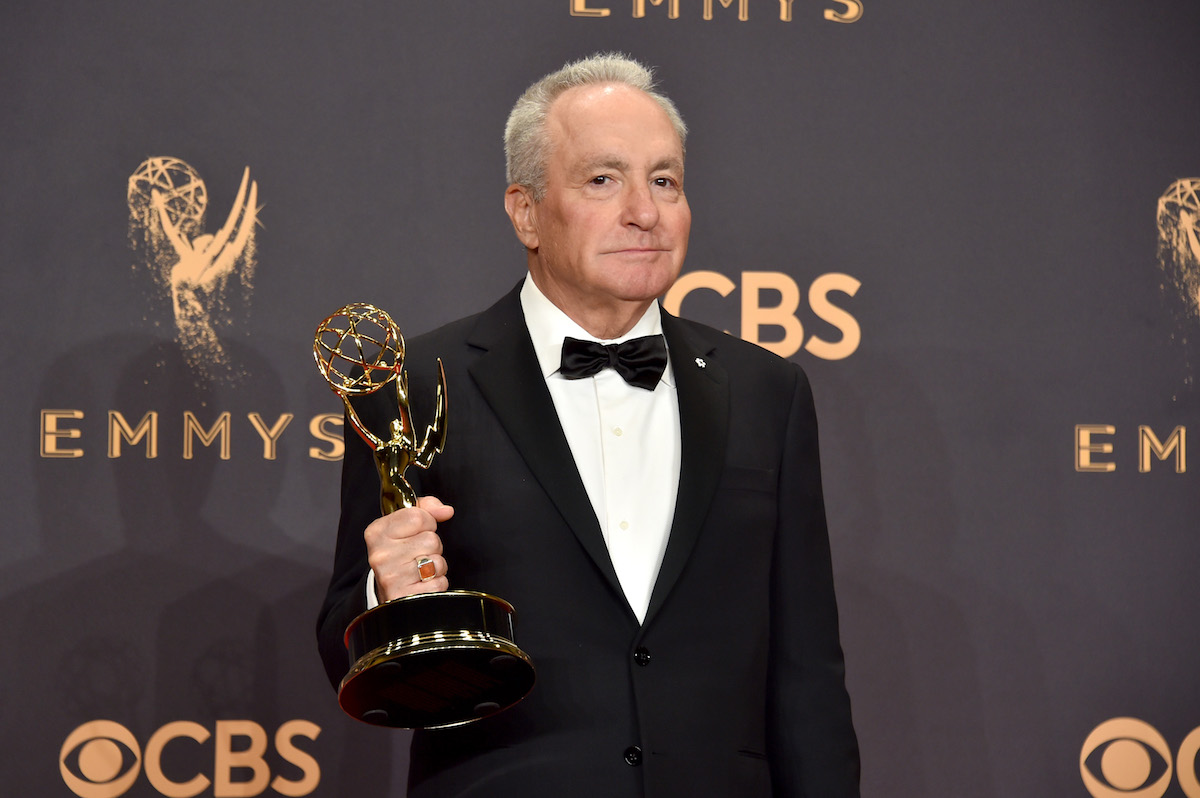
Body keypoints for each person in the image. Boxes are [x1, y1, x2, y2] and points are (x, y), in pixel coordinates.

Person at [317, 53, 860, 797]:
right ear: (526, 212)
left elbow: (808, 679)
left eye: (664, 180)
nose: (645, 210)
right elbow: (339, 650)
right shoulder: (415, 381)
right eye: (604, 180)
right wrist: (388, 597)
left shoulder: (768, 392)